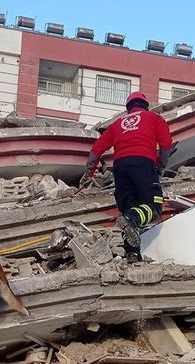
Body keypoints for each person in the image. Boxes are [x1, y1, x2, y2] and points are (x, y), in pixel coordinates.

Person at [80, 91, 174, 263]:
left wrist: (88, 173)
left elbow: (97, 148)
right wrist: (160, 167)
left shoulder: (117, 124)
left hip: (120, 168)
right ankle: (131, 219)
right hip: (143, 164)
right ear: (145, 105)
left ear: (128, 108)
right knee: (153, 207)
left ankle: (132, 254)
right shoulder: (153, 118)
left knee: (130, 206)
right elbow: (166, 145)